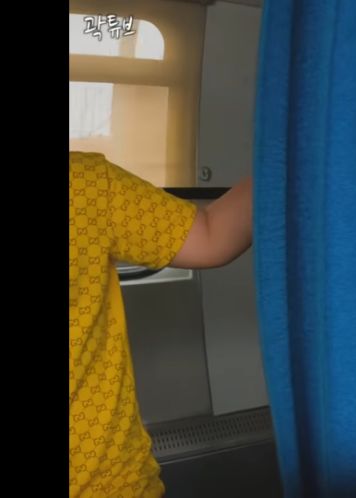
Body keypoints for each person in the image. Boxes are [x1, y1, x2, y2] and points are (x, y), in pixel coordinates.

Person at [69, 151, 254, 497]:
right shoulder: (82, 182)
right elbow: (211, 235)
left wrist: (291, 149)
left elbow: (210, 236)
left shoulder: (83, 183)